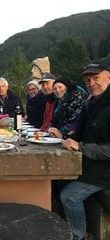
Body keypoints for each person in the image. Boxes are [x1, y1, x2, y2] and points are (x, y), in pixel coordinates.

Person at [60, 60, 110, 240]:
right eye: (88, 80)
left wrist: (80, 147)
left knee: (69, 196)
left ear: (109, 76)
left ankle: (78, 236)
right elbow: (78, 129)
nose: (91, 83)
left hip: (104, 173)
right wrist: (67, 136)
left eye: (96, 78)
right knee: (57, 180)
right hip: (90, 165)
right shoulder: (92, 103)